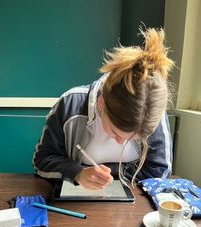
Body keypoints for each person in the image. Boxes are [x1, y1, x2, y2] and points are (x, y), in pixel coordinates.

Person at [33, 28, 174, 190]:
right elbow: (42, 159)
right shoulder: (70, 105)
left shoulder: (152, 113)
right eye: (116, 132)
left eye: (134, 138)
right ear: (101, 103)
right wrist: (77, 173)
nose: (122, 141)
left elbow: (160, 171)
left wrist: (111, 173)